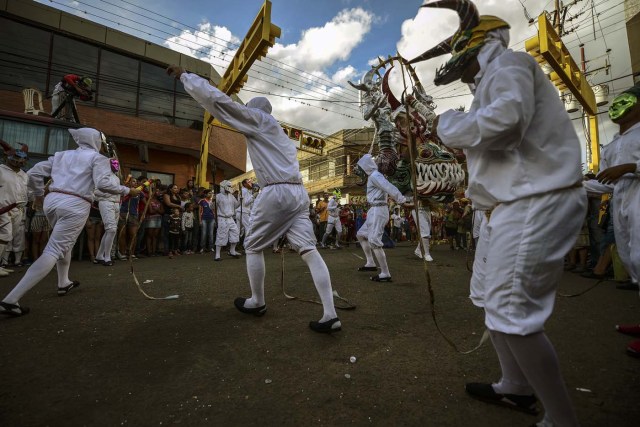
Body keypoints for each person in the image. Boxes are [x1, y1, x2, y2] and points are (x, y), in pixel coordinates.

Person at [409, 1, 586, 425]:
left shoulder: (508, 64)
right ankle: (515, 386)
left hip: (532, 201)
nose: (463, 73)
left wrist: (447, 125)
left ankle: (561, 419)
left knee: (512, 314)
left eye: (464, 61)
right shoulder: (493, 82)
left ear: (481, 46)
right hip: (507, 208)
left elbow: (506, 124)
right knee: (491, 302)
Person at [168, 64, 341, 333]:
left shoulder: (260, 121)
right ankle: (330, 314)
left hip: (277, 191)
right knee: (308, 250)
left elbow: (220, 102)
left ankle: (257, 301)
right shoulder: (280, 134)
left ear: (254, 110)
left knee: (252, 245)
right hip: (298, 193)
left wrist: (187, 77)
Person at [0, 128, 138, 316]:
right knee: (55, 248)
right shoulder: (99, 159)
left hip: (53, 201)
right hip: (76, 203)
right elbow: (104, 184)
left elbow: (33, 173)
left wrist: (39, 195)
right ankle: (11, 300)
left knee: (65, 243)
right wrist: (129, 191)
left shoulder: (61, 155)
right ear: (96, 141)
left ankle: (63, 282)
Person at [583, 82, 640, 357]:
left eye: (627, 100)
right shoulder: (614, 145)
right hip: (622, 202)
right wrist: (572, 185)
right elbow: (605, 182)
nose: (619, 105)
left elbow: (622, 172)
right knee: (631, 259)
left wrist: (630, 167)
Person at [355, 153, 407, 282]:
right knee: (361, 235)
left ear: (365, 167)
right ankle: (370, 263)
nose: (359, 170)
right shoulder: (373, 176)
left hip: (378, 210)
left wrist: (401, 199)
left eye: (360, 167)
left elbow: (388, 187)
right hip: (374, 209)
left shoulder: (375, 176)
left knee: (374, 242)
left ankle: (385, 273)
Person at [0, 140, 28, 273]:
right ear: (7, 156)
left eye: (23, 158)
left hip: (19, 210)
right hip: (3, 209)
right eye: (16, 157)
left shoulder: (24, 175)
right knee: (4, 235)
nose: (20, 161)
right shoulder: (0, 170)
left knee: (8, 237)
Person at [94, 158, 121, 266]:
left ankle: (99, 256)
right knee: (111, 229)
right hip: (106, 203)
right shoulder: (101, 176)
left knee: (109, 231)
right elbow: (95, 192)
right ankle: (107, 257)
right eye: (114, 163)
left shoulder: (116, 178)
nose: (116, 165)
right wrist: (109, 194)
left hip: (116, 204)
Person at [214, 180, 241, 261]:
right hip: (222, 218)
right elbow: (212, 207)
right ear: (223, 186)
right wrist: (213, 201)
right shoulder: (218, 196)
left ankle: (232, 251)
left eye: (230, 186)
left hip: (231, 218)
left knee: (235, 233)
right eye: (228, 186)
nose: (229, 188)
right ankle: (217, 255)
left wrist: (240, 200)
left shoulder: (231, 196)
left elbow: (236, 205)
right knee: (221, 235)